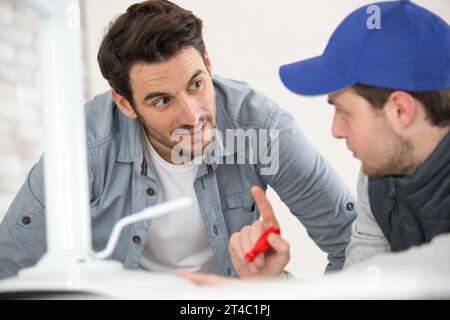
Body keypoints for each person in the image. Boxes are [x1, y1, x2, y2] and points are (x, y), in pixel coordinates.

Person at [0, 0, 356, 280]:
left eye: (196, 85)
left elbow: (354, 244)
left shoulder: (260, 127)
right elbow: (9, 267)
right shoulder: (84, 145)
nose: (192, 116)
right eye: (162, 100)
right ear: (125, 103)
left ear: (208, 65)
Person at [181, 0, 450, 284]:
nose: (336, 130)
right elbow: (357, 290)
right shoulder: (379, 179)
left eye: (344, 112)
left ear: (400, 110)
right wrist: (270, 287)